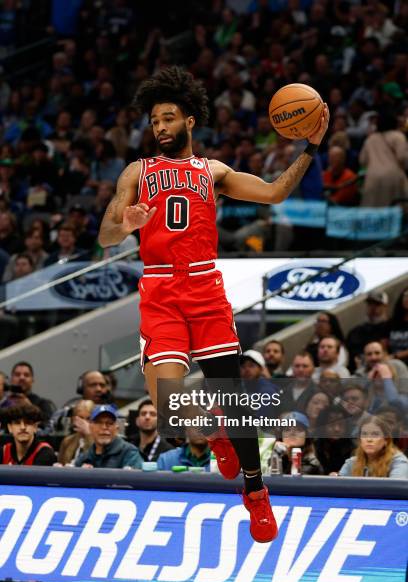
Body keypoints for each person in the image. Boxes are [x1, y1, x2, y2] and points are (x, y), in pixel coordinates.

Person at [98, 66, 329, 543]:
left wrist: (311, 148)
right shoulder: (136, 172)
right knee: (169, 411)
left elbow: (274, 192)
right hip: (160, 290)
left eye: (167, 118)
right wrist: (128, 224)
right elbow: (104, 235)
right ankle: (216, 432)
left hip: (204, 288)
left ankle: (256, 492)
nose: (159, 127)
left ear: (188, 121)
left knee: (233, 395)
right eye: (153, 121)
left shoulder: (213, 171)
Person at [75, 404, 143, 469]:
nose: (104, 427)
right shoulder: (86, 456)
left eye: (109, 423)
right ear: (90, 427)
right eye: (99, 422)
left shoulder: (129, 453)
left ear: (116, 428)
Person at [338, 415, 408, 478]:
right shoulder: (352, 463)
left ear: (386, 440)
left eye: (375, 434)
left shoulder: (398, 461)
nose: (369, 439)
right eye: (364, 434)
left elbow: (395, 489)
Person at [0, 401, 56, 466]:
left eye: (28, 422)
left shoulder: (45, 453)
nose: (22, 427)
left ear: (35, 427)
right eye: (17, 423)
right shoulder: (4, 452)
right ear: (10, 428)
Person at [346, 291, 390, 371]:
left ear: (385, 306)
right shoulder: (355, 332)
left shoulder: (391, 328)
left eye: (377, 304)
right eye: (370, 304)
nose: (373, 308)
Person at [10, 361, 56, 430]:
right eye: (17, 374)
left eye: (26, 375)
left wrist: (30, 408)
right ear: (11, 379)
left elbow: (49, 426)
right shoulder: (3, 403)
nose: (22, 378)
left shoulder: (42, 403)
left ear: (32, 380)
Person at [57, 399, 94, 465]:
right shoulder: (67, 441)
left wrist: (88, 435)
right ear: (73, 419)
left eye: (88, 418)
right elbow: (60, 464)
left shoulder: (99, 442)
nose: (84, 422)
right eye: (81, 418)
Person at [387, 286, 408, 365]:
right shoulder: (392, 322)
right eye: (405, 295)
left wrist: (396, 356)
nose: (407, 298)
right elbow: (383, 344)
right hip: (392, 362)